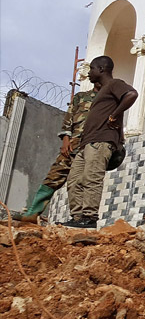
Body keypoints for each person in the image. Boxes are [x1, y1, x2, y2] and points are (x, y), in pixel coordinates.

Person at [65, 57, 138, 228]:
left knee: (92, 178)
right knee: (74, 180)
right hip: (87, 143)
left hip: (101, 140)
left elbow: (132, 94)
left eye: (91, 69)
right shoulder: (102, 91)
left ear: (101, 69)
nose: (89, 73)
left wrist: (114, 115)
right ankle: (77, 217)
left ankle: (89, 217)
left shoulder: (114, 84)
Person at [16, 86, 98, 222]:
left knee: (80, 182)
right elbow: (68, 120)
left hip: (91, 146)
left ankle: (79, 218)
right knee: (53, 176)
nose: (90, 75)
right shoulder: (81, 97)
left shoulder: (107, 97)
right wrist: (66, 140)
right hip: (72, 146)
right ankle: (33, 212)